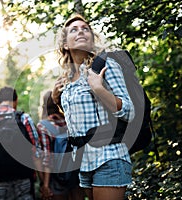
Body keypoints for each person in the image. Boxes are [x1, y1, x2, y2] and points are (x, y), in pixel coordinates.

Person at [51, 14, 135, 200]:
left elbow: (129, 111)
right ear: (65, 44)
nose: (81, 31)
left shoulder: (106, 66)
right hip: (84, 162)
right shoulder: (67, 80)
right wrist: (57, 100)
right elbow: (79, 120)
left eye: (85, 28)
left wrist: (99, 88)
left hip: (110, 156)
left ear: (91, 39)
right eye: (74, 30)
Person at [37, 90, 85, 200]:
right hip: (75, 171)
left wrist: (45, 185)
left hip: (57, 177)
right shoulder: (69, 120)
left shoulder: (44, 126)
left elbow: (47, 157)